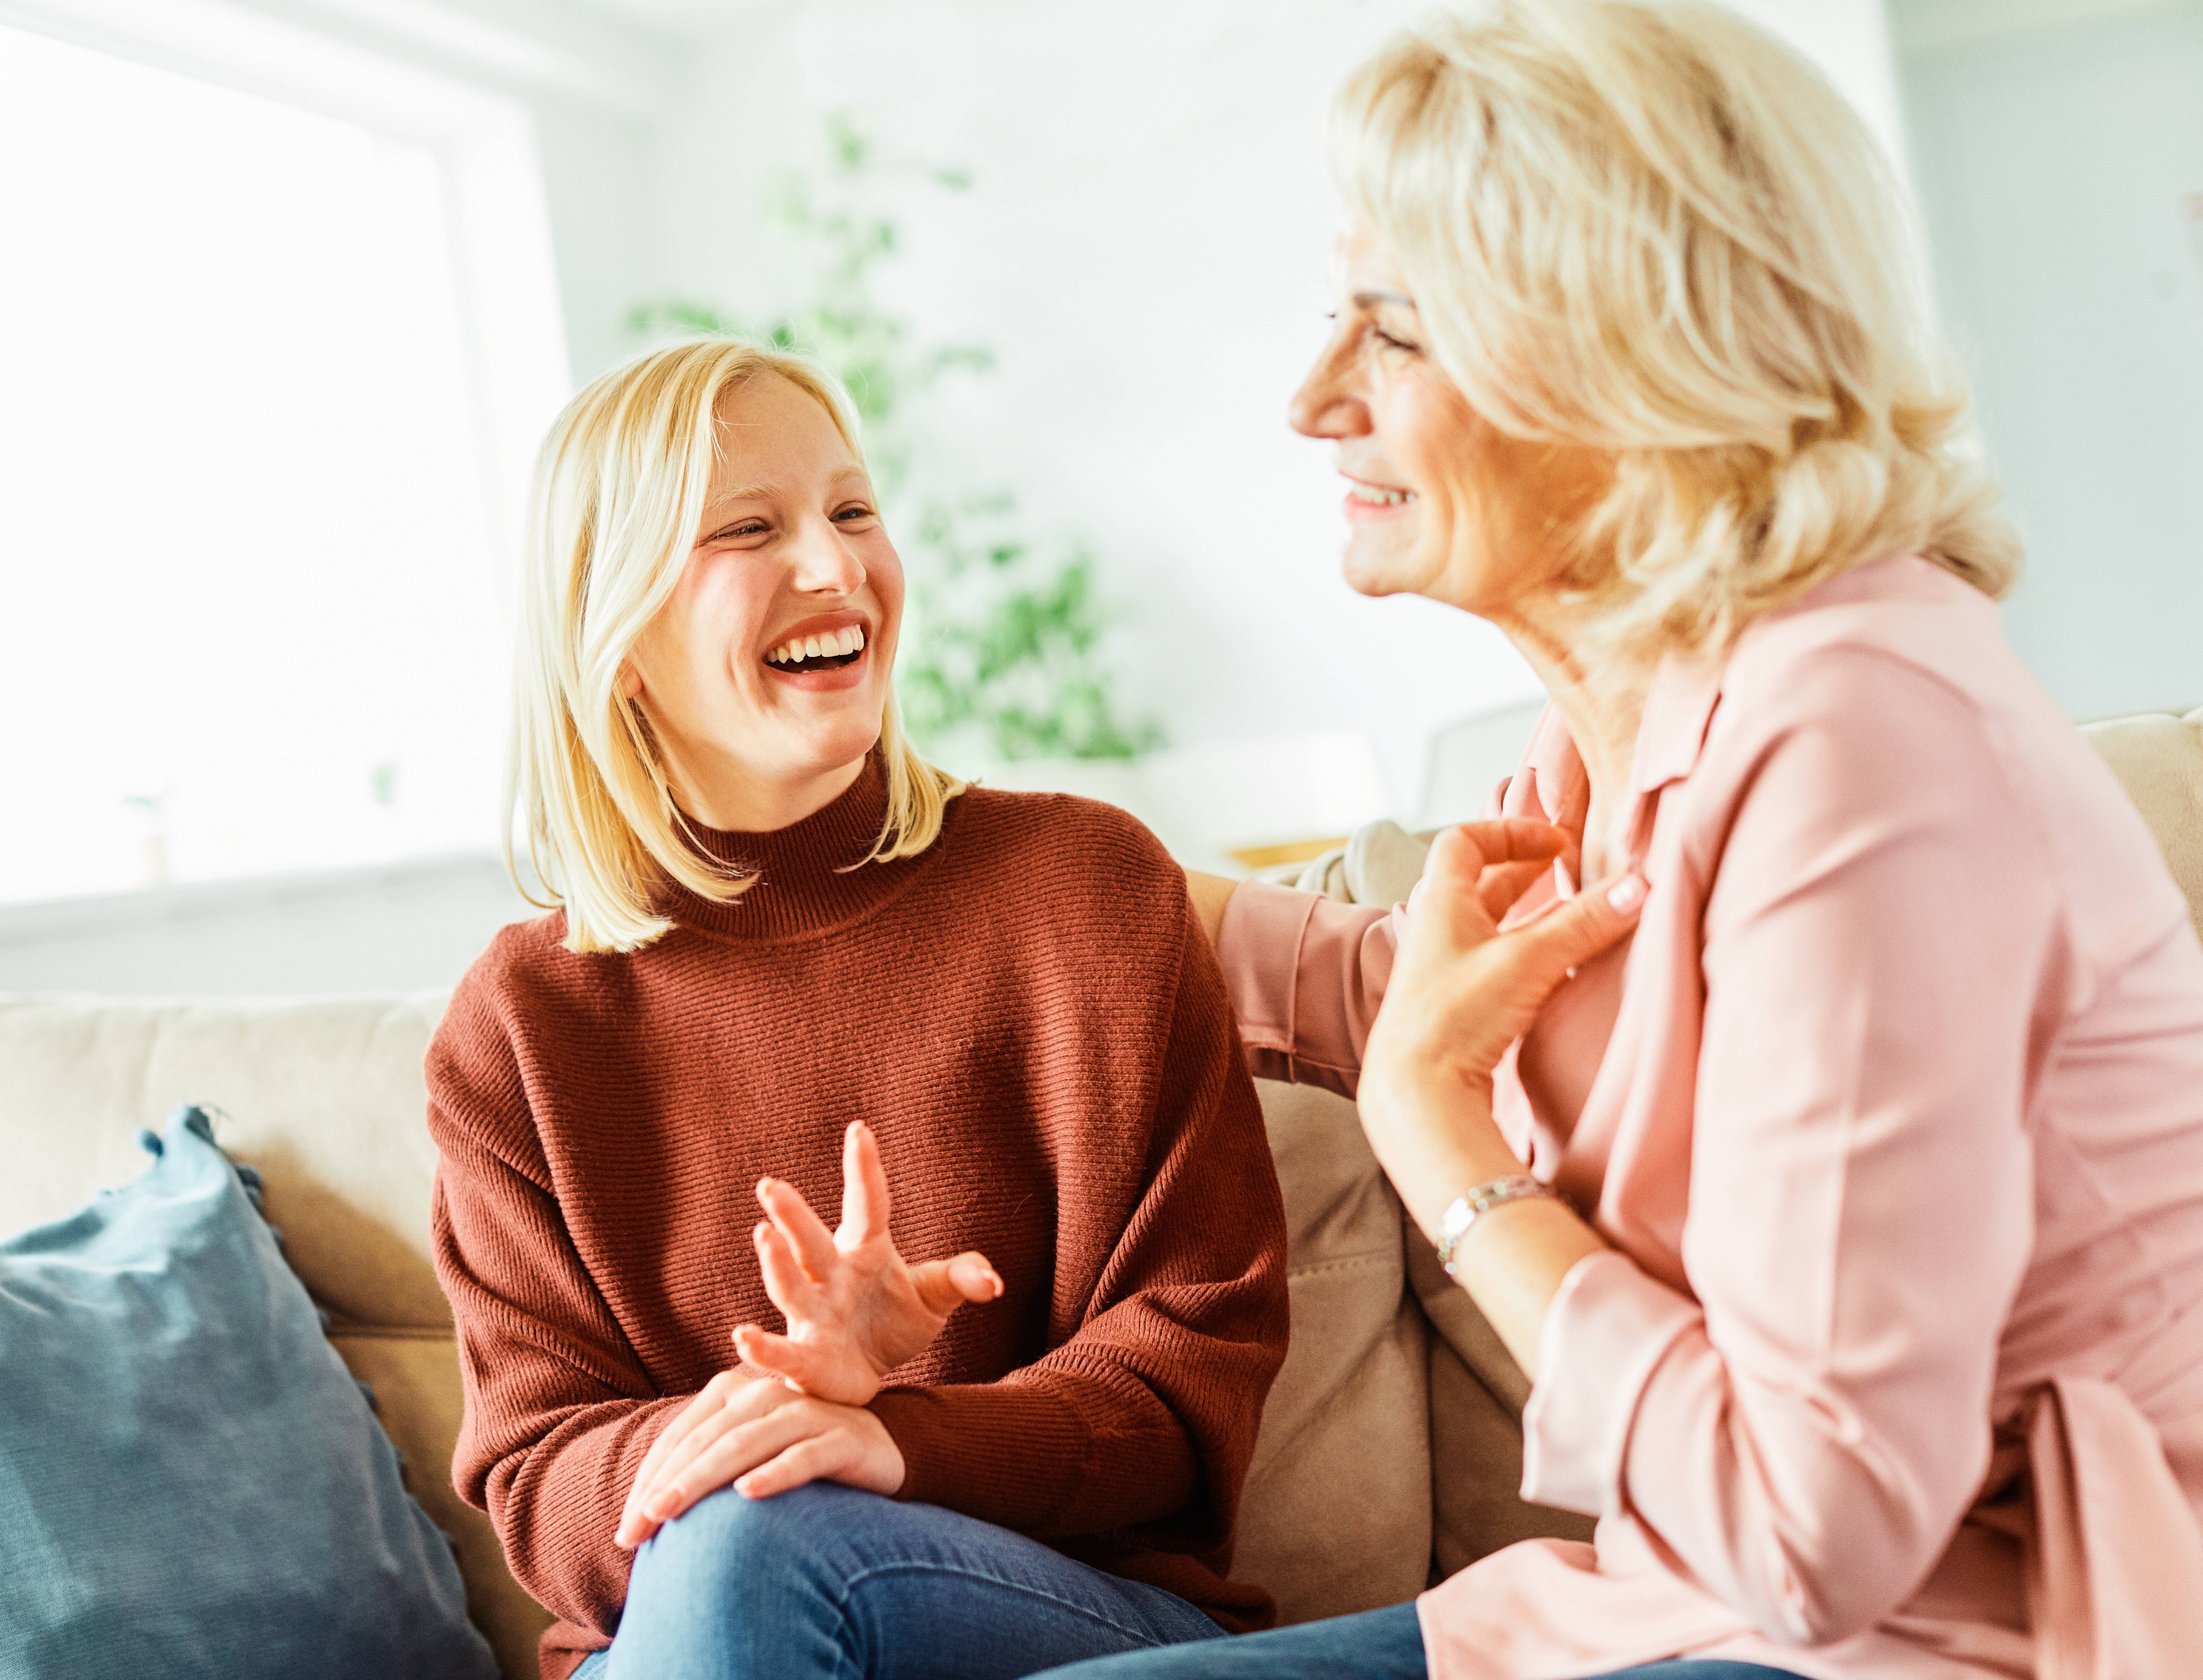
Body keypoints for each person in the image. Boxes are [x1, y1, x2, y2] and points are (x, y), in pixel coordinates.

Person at [1040, 2, 2203, 1678]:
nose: (1312, 401)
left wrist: (1443, 1153)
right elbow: (1471, 993)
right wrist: (989, 864)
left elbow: (1824, 1530)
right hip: (1661, 1610)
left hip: (1983, 1632)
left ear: (1615, 362)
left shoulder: (1859, 743)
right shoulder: (1641, 710)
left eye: (1391, 335)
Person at [424, 337, 1289, 1680]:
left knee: (748, 1545)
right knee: (730, 1549)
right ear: (618, 634)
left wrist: (893, 1438)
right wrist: (761, 1416)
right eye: (748, 529)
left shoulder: (1087, 889)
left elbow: (1190, 1382)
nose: (834, 570)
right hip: (685, 1635)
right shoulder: (520, 1026)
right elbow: (539, 1481)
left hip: (1068, 1624)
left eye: (851, 510)